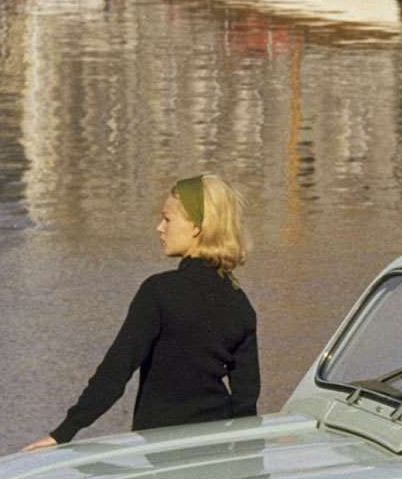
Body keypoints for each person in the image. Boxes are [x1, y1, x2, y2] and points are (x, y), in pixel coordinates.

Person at [22, 176, 260, 447]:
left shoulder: (159, 292)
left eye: (168, 219)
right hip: (216, 450)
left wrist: (63, 433)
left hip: (160, 450)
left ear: (196, 227)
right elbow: (246, 401)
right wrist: (249, 465)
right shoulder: (239, 301)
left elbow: (115, 372)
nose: (159, 228)